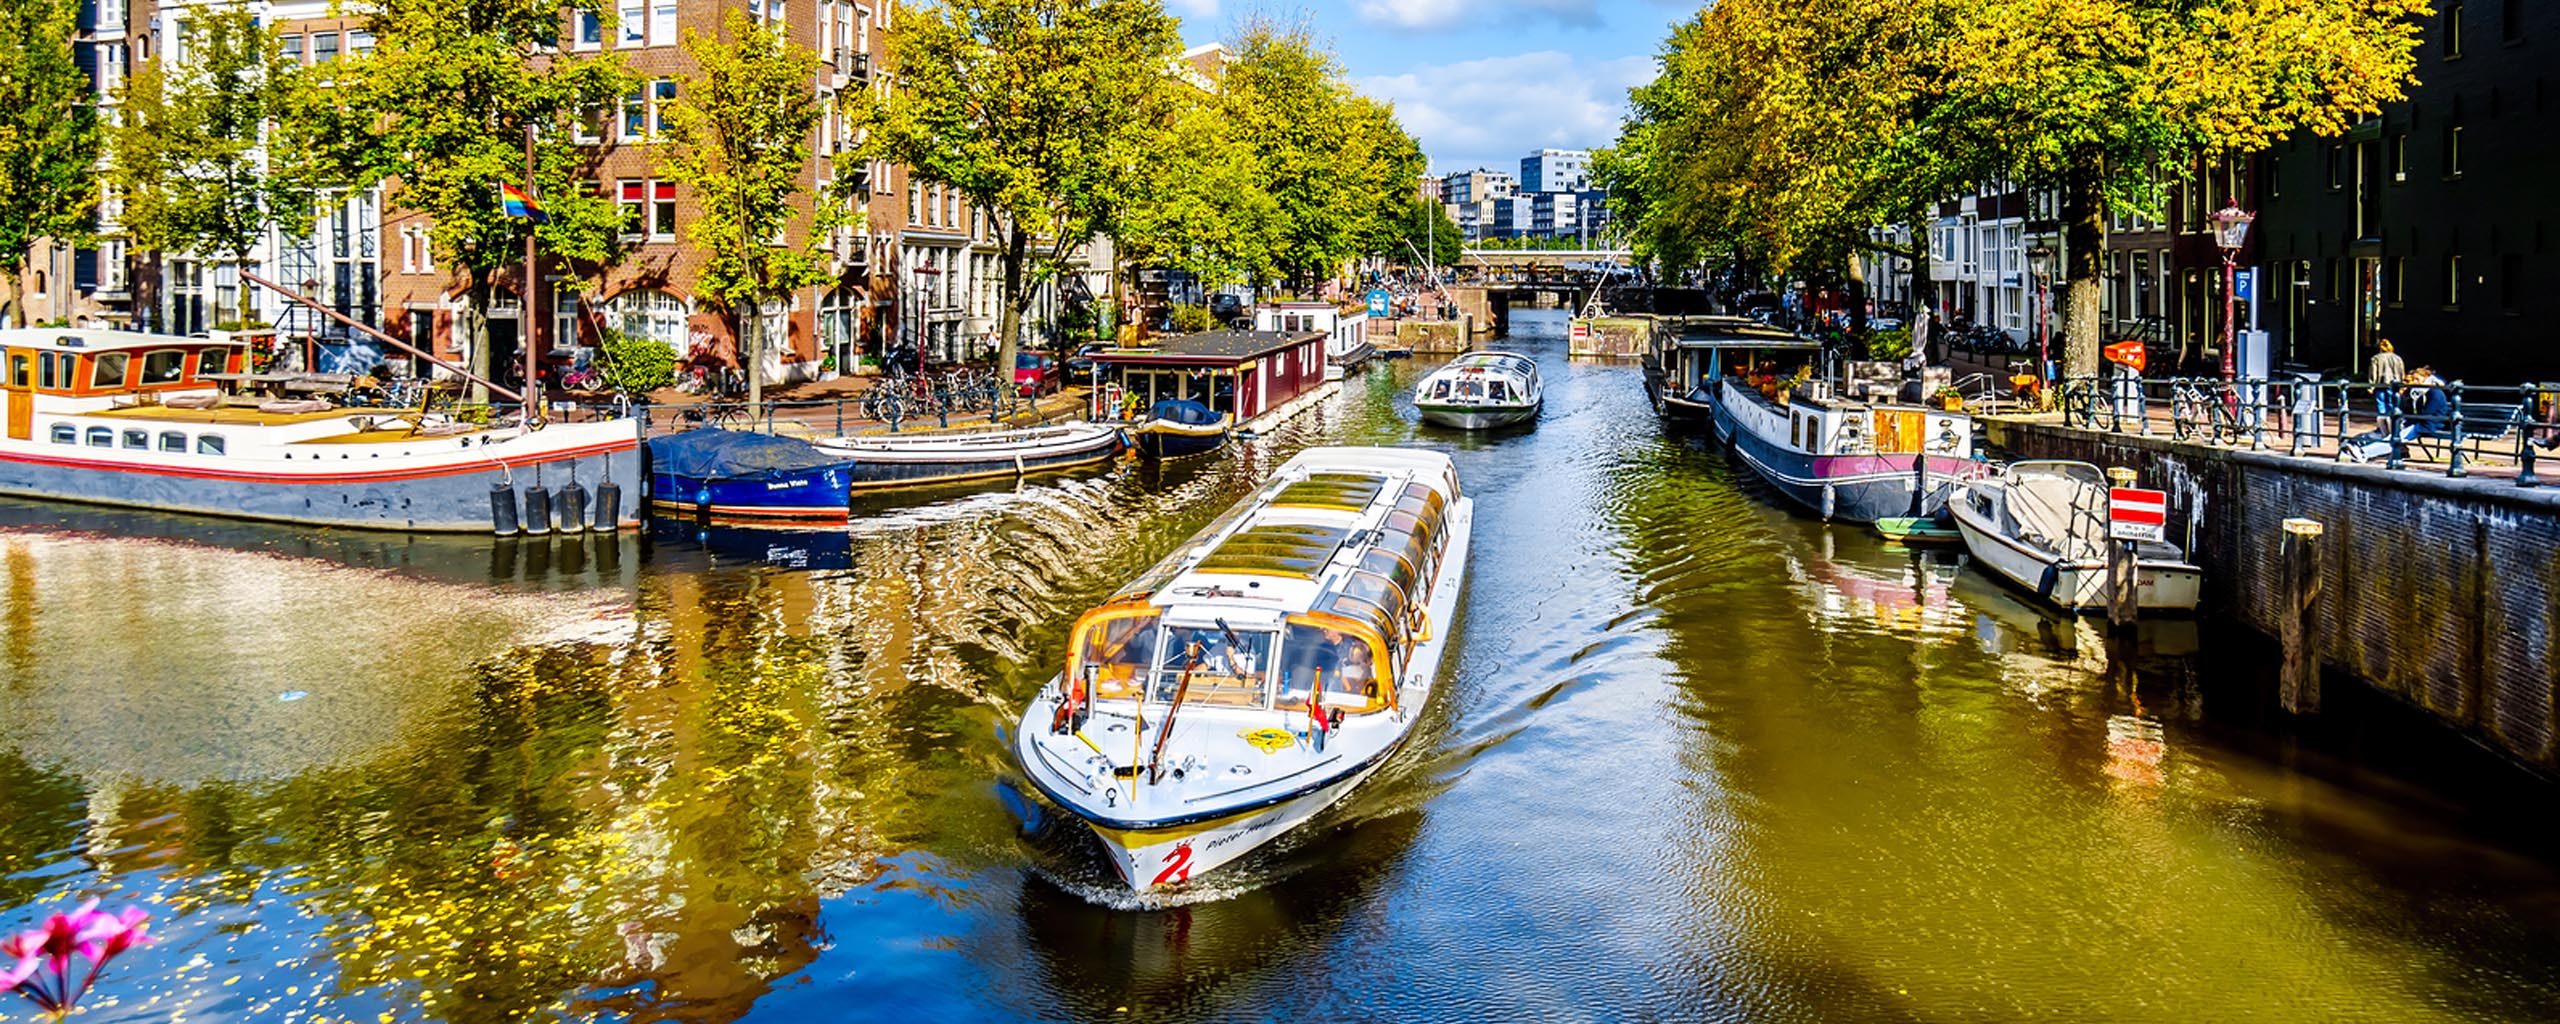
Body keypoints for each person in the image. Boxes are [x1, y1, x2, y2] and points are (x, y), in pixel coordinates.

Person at [2342, 367, 2447, 462]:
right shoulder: (2419, 392)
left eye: (2417, 379)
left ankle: (2364, 452)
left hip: (2428, 425)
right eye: (2414, 379)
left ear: (2426, 379)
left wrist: (2407, 420)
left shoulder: (2434, 393)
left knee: (2396, 437)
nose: (2415, 382)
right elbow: (2409, 409)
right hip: (2419, 422)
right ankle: (2371, 451)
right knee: (2393, 433)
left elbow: (2427, 413)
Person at [2368, 338, 2406, 421]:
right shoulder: (2397, 358)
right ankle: (2393, 424)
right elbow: (2401, 372)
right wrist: (2402, 385)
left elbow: (2373, 373)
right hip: (2394, 385)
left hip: (2380, 384)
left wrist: (2371, 386)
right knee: (2392, 404)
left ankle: (2382, 425)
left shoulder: (2376, 358)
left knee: (2381, 404)